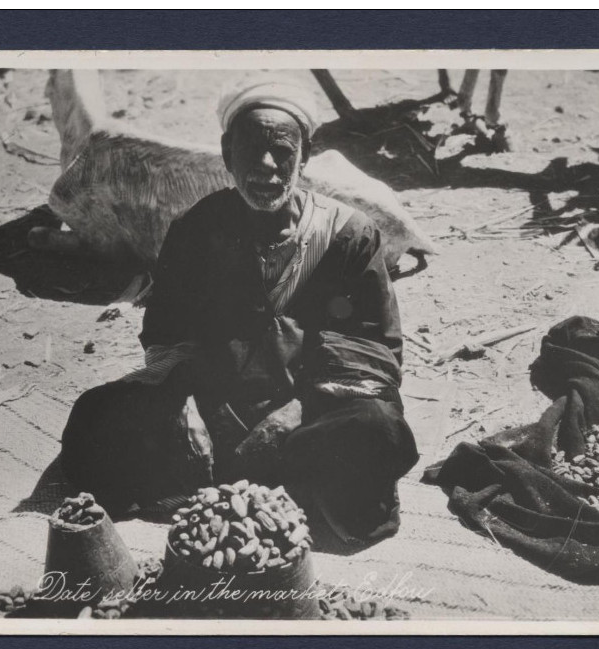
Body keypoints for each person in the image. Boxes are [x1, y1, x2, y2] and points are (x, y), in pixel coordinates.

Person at [61, 79, 418, 547]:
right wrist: (186, 402)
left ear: (305, 156)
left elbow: (370, 344)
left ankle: (257, 478)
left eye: (281, 151)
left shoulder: (349, 234)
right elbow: (168, 328)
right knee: (97, 417)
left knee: (375, 430)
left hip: (316, 413)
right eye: (250, 149)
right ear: (228, 154)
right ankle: (275, 486)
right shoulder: (197, 229)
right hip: (215, 408)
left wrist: (294, 413)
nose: (266, 167)